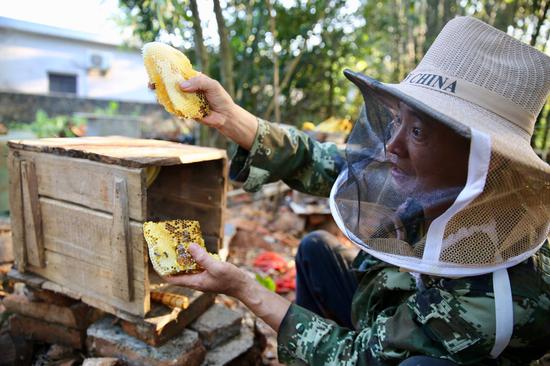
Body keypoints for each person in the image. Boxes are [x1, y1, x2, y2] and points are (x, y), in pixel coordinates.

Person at [163, 16, 550, 365]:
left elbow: (358, 357)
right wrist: (231, 118)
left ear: (485, 161)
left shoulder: (489, 300)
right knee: (316, 248)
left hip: (405, 350)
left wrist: (243, 287)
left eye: (417, 132)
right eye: (398, 121)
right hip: (388, 313)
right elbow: (331, 164)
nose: (391, 147)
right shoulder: (442, 182)